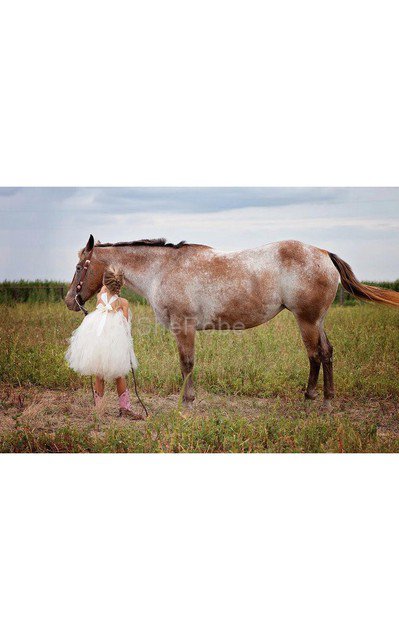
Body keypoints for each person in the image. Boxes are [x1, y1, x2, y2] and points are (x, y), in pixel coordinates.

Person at [65, 267, 142, 419]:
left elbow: (104, 287)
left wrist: (107, 283)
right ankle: (124, 408)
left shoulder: (100, 296)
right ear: (122, 284)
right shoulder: (123, 302)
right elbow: (125, 325)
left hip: (98, 339)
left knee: (99, 374)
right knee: (119, 375)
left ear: (105, 283)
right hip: (114, 341)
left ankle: (99, 409)